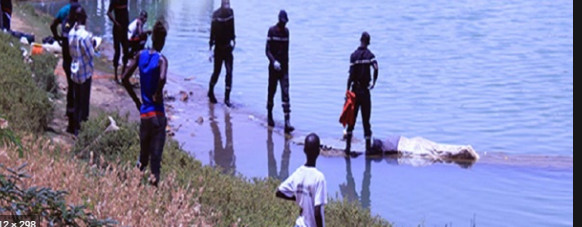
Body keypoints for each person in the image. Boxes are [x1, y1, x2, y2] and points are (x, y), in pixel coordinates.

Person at [122, 20, 168, 186]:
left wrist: (136, 101)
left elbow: (124, 78)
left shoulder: (141, 55)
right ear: (162, 40)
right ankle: (153, 196)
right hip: (157, 115)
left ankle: (133, 188)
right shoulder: (162, 60)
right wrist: (157, 92)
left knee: (142, 158)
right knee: (155, 162)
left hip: (144, 114)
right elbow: (162, 77)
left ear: (152, 38)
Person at [276, 133, 327, 227]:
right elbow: (317, 211)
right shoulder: (319, 178)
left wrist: (299, 198)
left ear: (304, 150)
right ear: (318, 151)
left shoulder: (298, 173)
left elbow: (279, 192)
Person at [50, 0, 82, 134]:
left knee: (71, 86)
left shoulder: (64, 11)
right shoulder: (80, 11)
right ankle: (74, 123)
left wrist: (57, 37)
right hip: (76, 58)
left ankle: (70, 120)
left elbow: (52, 25)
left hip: (66, 57)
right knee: (76, 89)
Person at [345, 32, 379, 155]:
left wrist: (347, 91)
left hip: (354, 91)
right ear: (368, 42)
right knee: (366, 120)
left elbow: (350, 76)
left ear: (360, 40)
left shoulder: (353, 56)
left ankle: (348, 148)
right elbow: (376, 67)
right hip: (365, 91)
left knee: (351, 120)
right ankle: (368, 149)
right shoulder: (370, 55)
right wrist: (373, 83)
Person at [266, 10, 294, 133]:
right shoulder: (271, 31)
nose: (284, 25)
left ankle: (287, 122)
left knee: (285, 93)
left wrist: (286, 68)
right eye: (282, 22)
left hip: (284, 69)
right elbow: (267, 51)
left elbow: (286, 51)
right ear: (279, 20)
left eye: (285, 23)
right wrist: (273, 62)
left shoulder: (287, 32)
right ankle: (269, 115)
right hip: (273, 68)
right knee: (271, 91)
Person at [67, 7, 94, 136]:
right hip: (85, 72)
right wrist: (93, 44)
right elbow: (91, 54)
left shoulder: (71, 33)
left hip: (75, 69)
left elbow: (71, 51)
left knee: (76, 101)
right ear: (84, 19)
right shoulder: (85, 36)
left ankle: (75, 128)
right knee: (84, 105)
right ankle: (82, 132)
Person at [208, 0, 236, 107]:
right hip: (218, 48)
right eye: (225, 4)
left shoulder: (231, 13)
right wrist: (210, 49)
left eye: (228, 4)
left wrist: (233, 39)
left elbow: (232, 27)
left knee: (229, 72)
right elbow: (212, 32)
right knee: (217, 72)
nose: (227, 6)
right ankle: (210, 91)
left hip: (228, 48)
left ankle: (227, 98)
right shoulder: (216, 15)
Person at [107, 0, 130, 83]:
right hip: (117, 29)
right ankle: (116, 76)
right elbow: (109, 13)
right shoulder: (114, 1)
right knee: (117, 51)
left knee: (126, 51)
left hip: (124, 29)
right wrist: (115, 23)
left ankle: (123, 74)